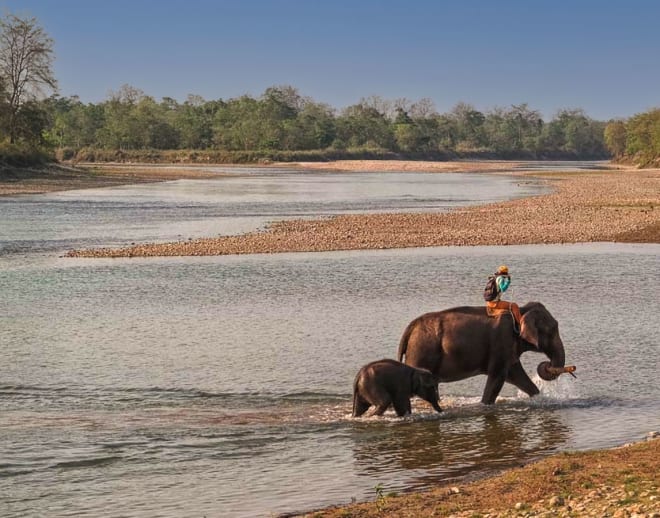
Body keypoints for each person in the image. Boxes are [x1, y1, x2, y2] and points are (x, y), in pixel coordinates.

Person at [484, 265, 522, 333]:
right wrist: (508, 281)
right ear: (505, 273)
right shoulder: (501, 278)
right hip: (494, 303)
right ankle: (521, 326)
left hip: (490, 302)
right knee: (514, 306)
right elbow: (503, 289)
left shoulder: (495, 278)